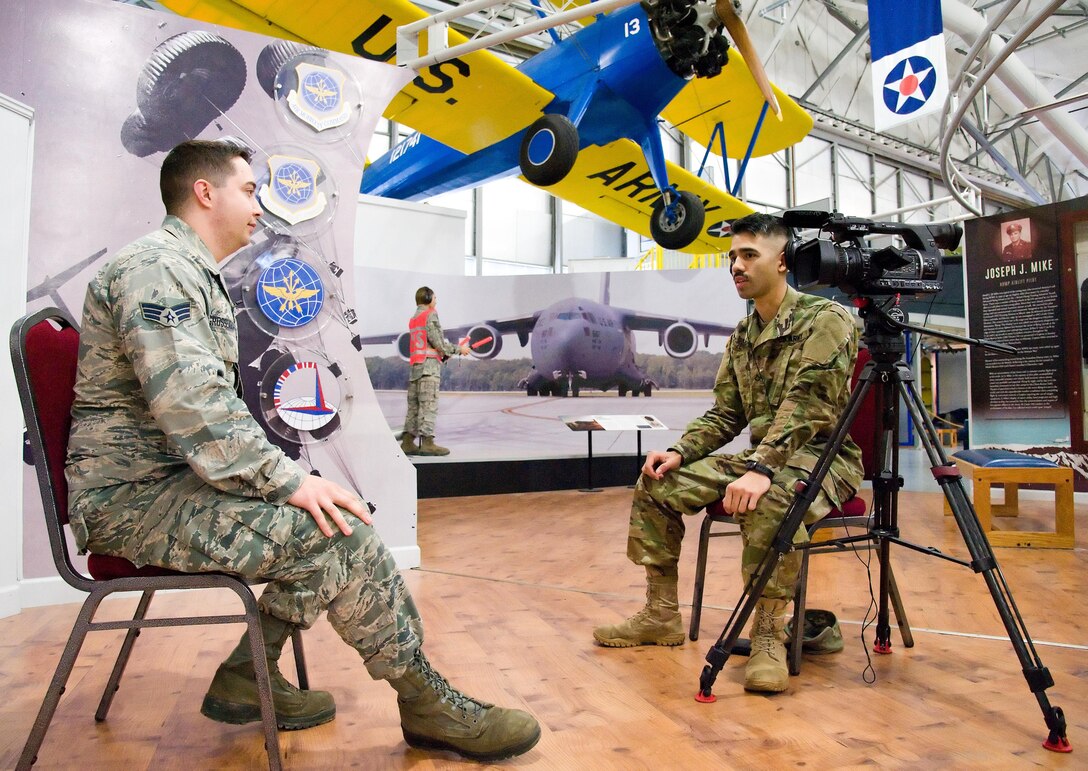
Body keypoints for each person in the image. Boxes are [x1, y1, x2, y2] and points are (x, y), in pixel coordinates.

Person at [65, 139, 539, 761]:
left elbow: (204, 411)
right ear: (204, 193)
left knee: (328, 523)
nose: (260, 206)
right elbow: (193, 406)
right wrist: (288, 482)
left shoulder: (187, 271)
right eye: (249, 190)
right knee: (334, 531)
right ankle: (424, 701)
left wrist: (286, 481)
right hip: (131, 502)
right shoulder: (157, 269)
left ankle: (246, 674)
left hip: (164, 486)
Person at [592, 212, 863, 693]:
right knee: (657, 482)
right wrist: (678, 451)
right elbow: (725, 415)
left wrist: (761, 469)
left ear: (783, 262)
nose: (736, 266)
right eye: (732, 256)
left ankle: (768, 634)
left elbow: (807, 409)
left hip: (824, 458)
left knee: (772, 499)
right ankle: (660, 615)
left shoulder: (827, 320)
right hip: (764, 457)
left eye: (748, 255)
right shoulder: (743, 336)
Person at [400, 287, 469, 457]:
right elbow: (439, 343)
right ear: (429, 298)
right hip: (428, 369)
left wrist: (442, 354)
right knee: (428, 406)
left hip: (416, 368)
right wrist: (459, 349)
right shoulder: (430, 314)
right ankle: (428, 443)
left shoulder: (414, 318)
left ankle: (407, 442)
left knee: (414, 408)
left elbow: (426, 345)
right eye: (435, 298)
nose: (436, 301)